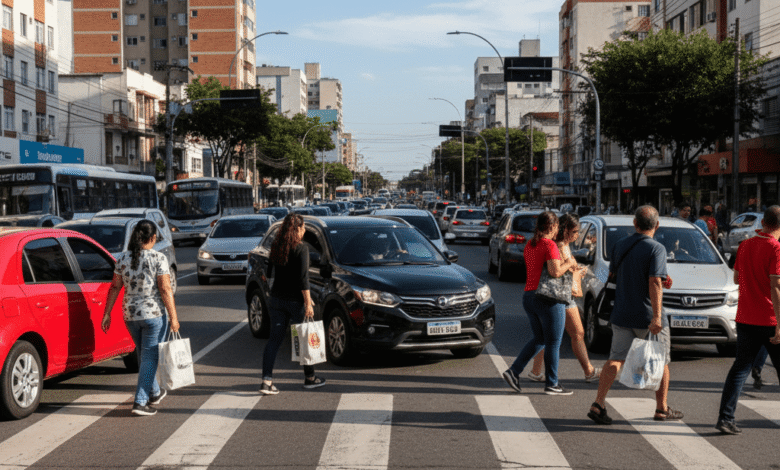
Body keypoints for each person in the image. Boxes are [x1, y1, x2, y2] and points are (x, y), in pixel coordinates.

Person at [587, 205, 682, 424]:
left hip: (621, 312)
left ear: (635, 224)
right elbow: (655, 281)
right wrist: (657, 317)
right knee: (662, 360)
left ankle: (598, 403)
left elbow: (614, 274)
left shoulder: (620, 245)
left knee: (615, 359)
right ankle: (661, 408)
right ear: (656, 226)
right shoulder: (656, 248)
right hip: (647, 314)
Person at [101, 220, 180, 417]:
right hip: (154, 316)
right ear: (152, 238)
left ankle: (154, 392)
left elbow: (115, 287)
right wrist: (174, 317)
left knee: (145, 357)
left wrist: (107, 313)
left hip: (130, 316)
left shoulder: (123, 258)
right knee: (149, 359)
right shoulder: (158, 258)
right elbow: (165, 289)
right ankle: (140, 401)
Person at [715, 206, 780, 435]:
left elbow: (736, 276)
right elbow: (776, 286)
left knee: (740, 369)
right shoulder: (775, 248)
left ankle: (725, 418)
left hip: (745, 318)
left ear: (763, 223)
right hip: (771, 319)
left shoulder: (745, 245)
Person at [502, 211, 578, 396]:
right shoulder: (549, 244)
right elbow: (555, 272)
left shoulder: (530, 243)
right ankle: (552, 383)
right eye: (557, 227)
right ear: (552, 226)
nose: (558, 230)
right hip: (548, 299)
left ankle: (513, 371)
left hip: (529, 295)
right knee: (553, 342)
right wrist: (569, 263)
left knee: (540, 339)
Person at [527, 214, 601, 383]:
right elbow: (556, 271)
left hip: (560, 294)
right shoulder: (559, 246)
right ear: (565, 230)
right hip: (561, 294)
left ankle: (536, 371)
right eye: (575, 231)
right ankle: (588, 372)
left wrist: (575, 270)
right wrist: (573, 267)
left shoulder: (563, 245)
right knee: (576, 333)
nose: (577, 234)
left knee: (550, 336)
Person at [260, 213, 325, 395]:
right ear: (297, 229)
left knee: (274, 341)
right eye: (303, 228)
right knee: (304, 339)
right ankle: (310, 378)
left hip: (277, 300)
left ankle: (267, 381)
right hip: (296, 302)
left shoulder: (276, 246)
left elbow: (271, 274)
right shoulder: (301, 248)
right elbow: (303, 279)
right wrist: (308, 302)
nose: (304, 231)